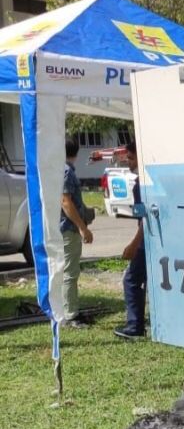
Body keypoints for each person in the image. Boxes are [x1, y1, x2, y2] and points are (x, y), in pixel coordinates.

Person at [115, 141, 147, 339]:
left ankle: (134, 326)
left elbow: (145, 217)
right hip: (151, 238)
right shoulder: (145, 180)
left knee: (131, 280)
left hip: (146, 240)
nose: (127, 161)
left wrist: (134, 244)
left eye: (130, 157)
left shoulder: (140, 184)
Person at [60, 137, 93, 328]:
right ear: (76, 152)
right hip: (69, 228)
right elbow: (66, 202)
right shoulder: (66, 172)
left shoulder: (61, 170)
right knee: (70, 272)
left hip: (65, 227)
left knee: (67, 271)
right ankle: (70, 315)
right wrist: (82, 227)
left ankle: (68, 309)